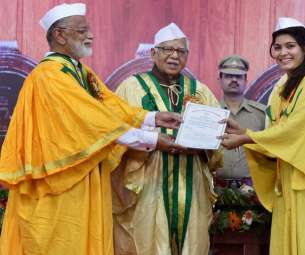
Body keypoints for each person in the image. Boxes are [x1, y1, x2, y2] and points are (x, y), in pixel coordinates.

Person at [0, 3, 183, 255]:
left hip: (82, 174)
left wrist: (153, 117)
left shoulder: (79, 72)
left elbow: (110, 106)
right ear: (59, 35)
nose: (91, 35)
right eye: (82, 30)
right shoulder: (49, 76)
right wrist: (151, 138)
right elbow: (91, 119)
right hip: (59, 181)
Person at [220, 17, 305, 255]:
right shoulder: (283, 86)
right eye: (278, 48)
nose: (283, 53)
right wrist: (245, 134)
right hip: (291, 175)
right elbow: (278, 133)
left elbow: (298, 129)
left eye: (290, 46)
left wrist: (248, 137)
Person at [112, 23, 223, 255]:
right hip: (149, 179)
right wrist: (152, 141)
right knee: (147, 242)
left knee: (192, 242)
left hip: (190, 177)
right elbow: (116, 134)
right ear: (154, 53)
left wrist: (203, 147)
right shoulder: (132, 87)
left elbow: (217, 137)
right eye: (167, 49)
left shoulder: (200, 90)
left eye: (181, 51)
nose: (174, 56)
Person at [217, 55, 265, 179]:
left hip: (253, 190)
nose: (234, 80)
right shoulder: (210, 112)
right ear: (219, 79)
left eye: (238, 76)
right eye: (228, 76)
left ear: (246, 80)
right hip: (214, 190)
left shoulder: (261, 114)